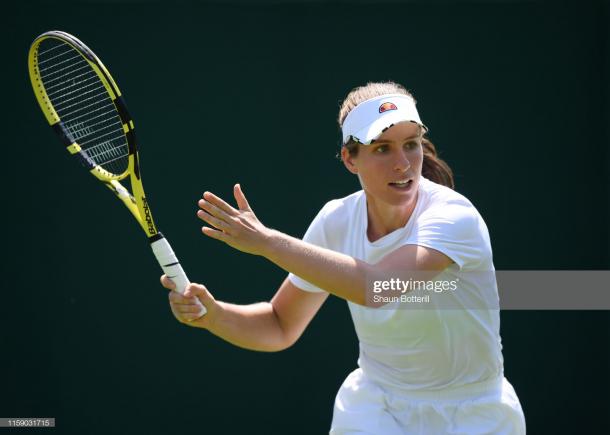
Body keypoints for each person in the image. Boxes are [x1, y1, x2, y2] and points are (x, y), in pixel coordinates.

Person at [160, 81, 526, 434]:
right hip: (377, 410)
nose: (403, 163)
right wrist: (213, 315)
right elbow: (280, 324)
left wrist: (267, 242)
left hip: (475, 415)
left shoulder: (452, 217)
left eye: (411, 145)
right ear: (351, 159)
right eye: (382, 148)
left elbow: (378, 288)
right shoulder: (336, 222)